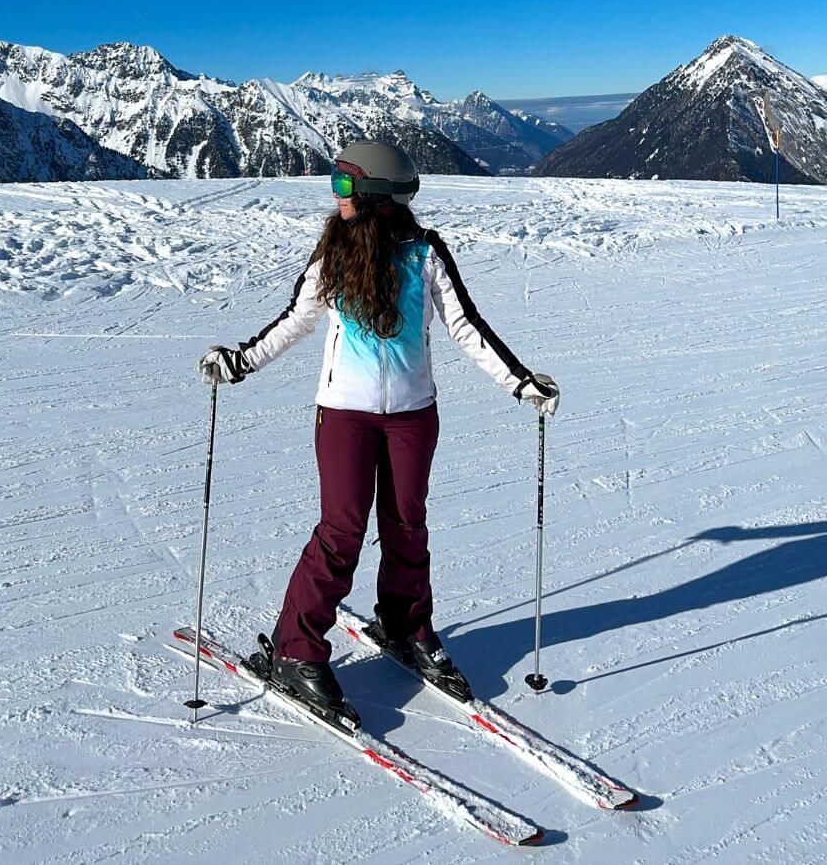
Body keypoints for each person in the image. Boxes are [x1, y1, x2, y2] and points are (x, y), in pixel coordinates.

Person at [198, 139, 559, 722]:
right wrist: (239, 362)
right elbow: (296, 321)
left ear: (375, 195)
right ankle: (296, 648)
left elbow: (466, 327)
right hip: (344, 415)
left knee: (406, 525)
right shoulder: (333, 255)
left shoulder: (425, 254)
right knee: (341, 531)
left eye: (344, 185)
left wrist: (520, 382)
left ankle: (405, 624)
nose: (335, 196)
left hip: (414, 415)